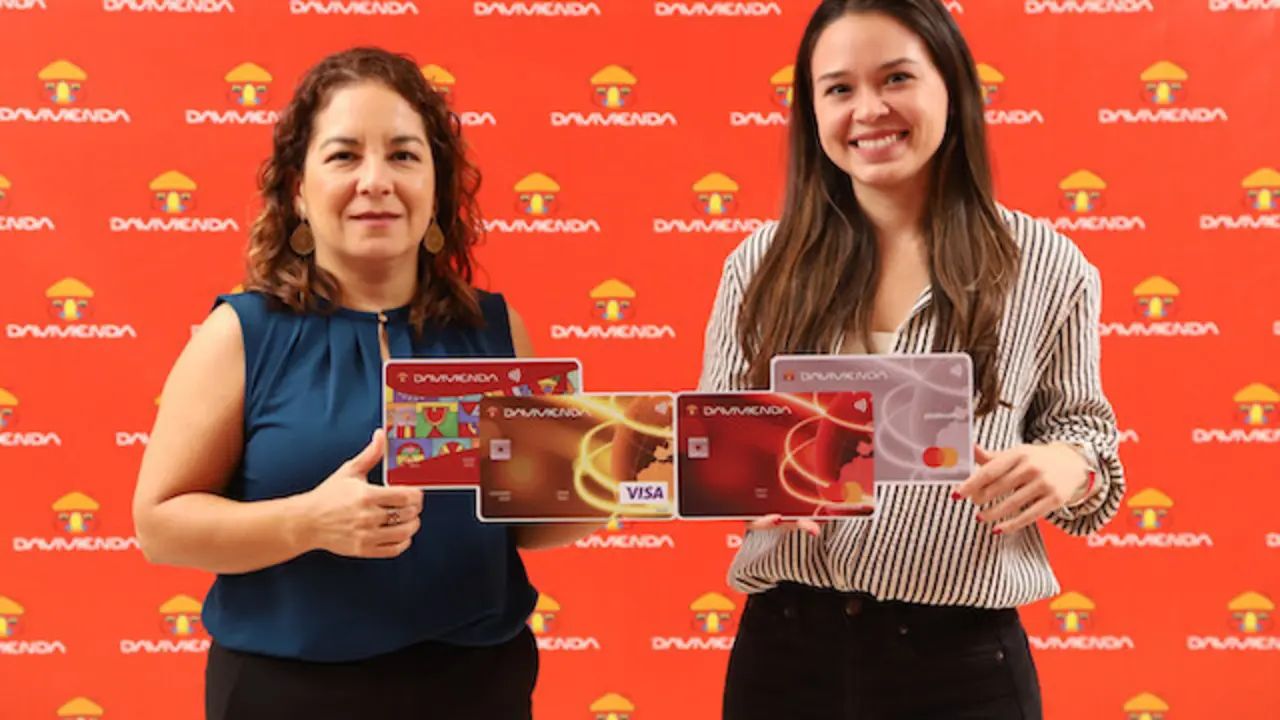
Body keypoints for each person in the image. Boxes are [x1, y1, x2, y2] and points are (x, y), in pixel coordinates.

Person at [131, 47, 599, 720]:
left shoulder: (496, 330)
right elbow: (160, 527)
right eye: (344, 156)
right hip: (286, 697)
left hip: (478, 691)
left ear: (436, 186)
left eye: (403, 155)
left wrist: (601, 484)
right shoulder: (241, 334)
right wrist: (307, 522)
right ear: (298, 188)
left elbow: (530, 526)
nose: (375, 180)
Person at [697, 2, 1125, 718]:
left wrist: (1069, 467)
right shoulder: (758, 265)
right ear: (811, 111)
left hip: (962, 665)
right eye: (839, 88)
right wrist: (740, 484)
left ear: (951, 87)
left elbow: (1088, 445)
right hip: (785, 655)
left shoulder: (1048, 265)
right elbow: (716, 444)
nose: (869, 110)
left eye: (896, 78)